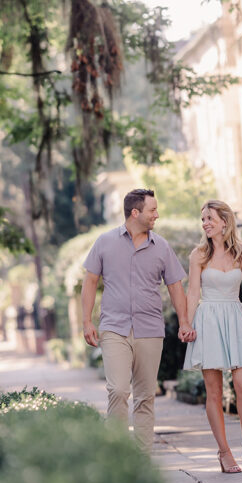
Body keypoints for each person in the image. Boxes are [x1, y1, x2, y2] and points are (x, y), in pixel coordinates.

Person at [81, 188, 195, 451]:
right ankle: (119, 456)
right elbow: (90, 282)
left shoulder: (162, 246)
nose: (157, 214)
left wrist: (185, 321)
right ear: (135, 212)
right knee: (118, 390)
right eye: (152, 210)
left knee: (145, 397)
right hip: (114, 328)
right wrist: (86, 321)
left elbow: (175, 286)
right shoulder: (105, 242)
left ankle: (141, 461)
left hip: (149, 329)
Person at [184, 199, 242, 473]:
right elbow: (193, 293)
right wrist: (186, 323)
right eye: (203, 219)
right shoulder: (198, 255)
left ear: (225, 221)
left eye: (210, 218)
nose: (205, 223)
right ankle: (224, 452)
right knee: (214, 390)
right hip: (208, 319)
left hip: (235, 318)